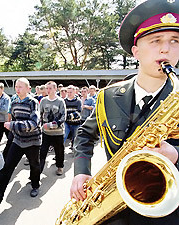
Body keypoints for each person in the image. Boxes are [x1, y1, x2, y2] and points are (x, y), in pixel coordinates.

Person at [70, 0, 179, 224]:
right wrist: (81, 171)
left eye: (175, 41)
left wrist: (176, 155)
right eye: (156, 40)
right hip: (112, 207)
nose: (166, 49)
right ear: (136, 51)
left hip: (167, 210)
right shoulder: (106, 97)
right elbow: (84, 135)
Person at [0, 77, 41, 204]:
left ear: (28, 89)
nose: (17, 89)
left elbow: (34, 123)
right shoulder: (14, 102)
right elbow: (12, 118)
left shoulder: (33, 102)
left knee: (34, 166)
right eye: (16, 87)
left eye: (20, 87)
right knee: (7, 167)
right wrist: (12, 131)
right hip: (18, 140)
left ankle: (35, 185)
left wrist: (13, 125)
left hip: (32, 141)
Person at [39, 81, 66, 175]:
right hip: (46, 132)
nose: (48, 90)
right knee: (42, 152)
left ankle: (60, 166)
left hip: (58, 132)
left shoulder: (60, 101)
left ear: (55, 89)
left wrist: (52, 125)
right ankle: (38, 171)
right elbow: (40, 115)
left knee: (59, 151)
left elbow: (63, 117)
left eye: (50, 88)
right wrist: (40, 126)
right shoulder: (43, 101)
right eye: (47, 88)